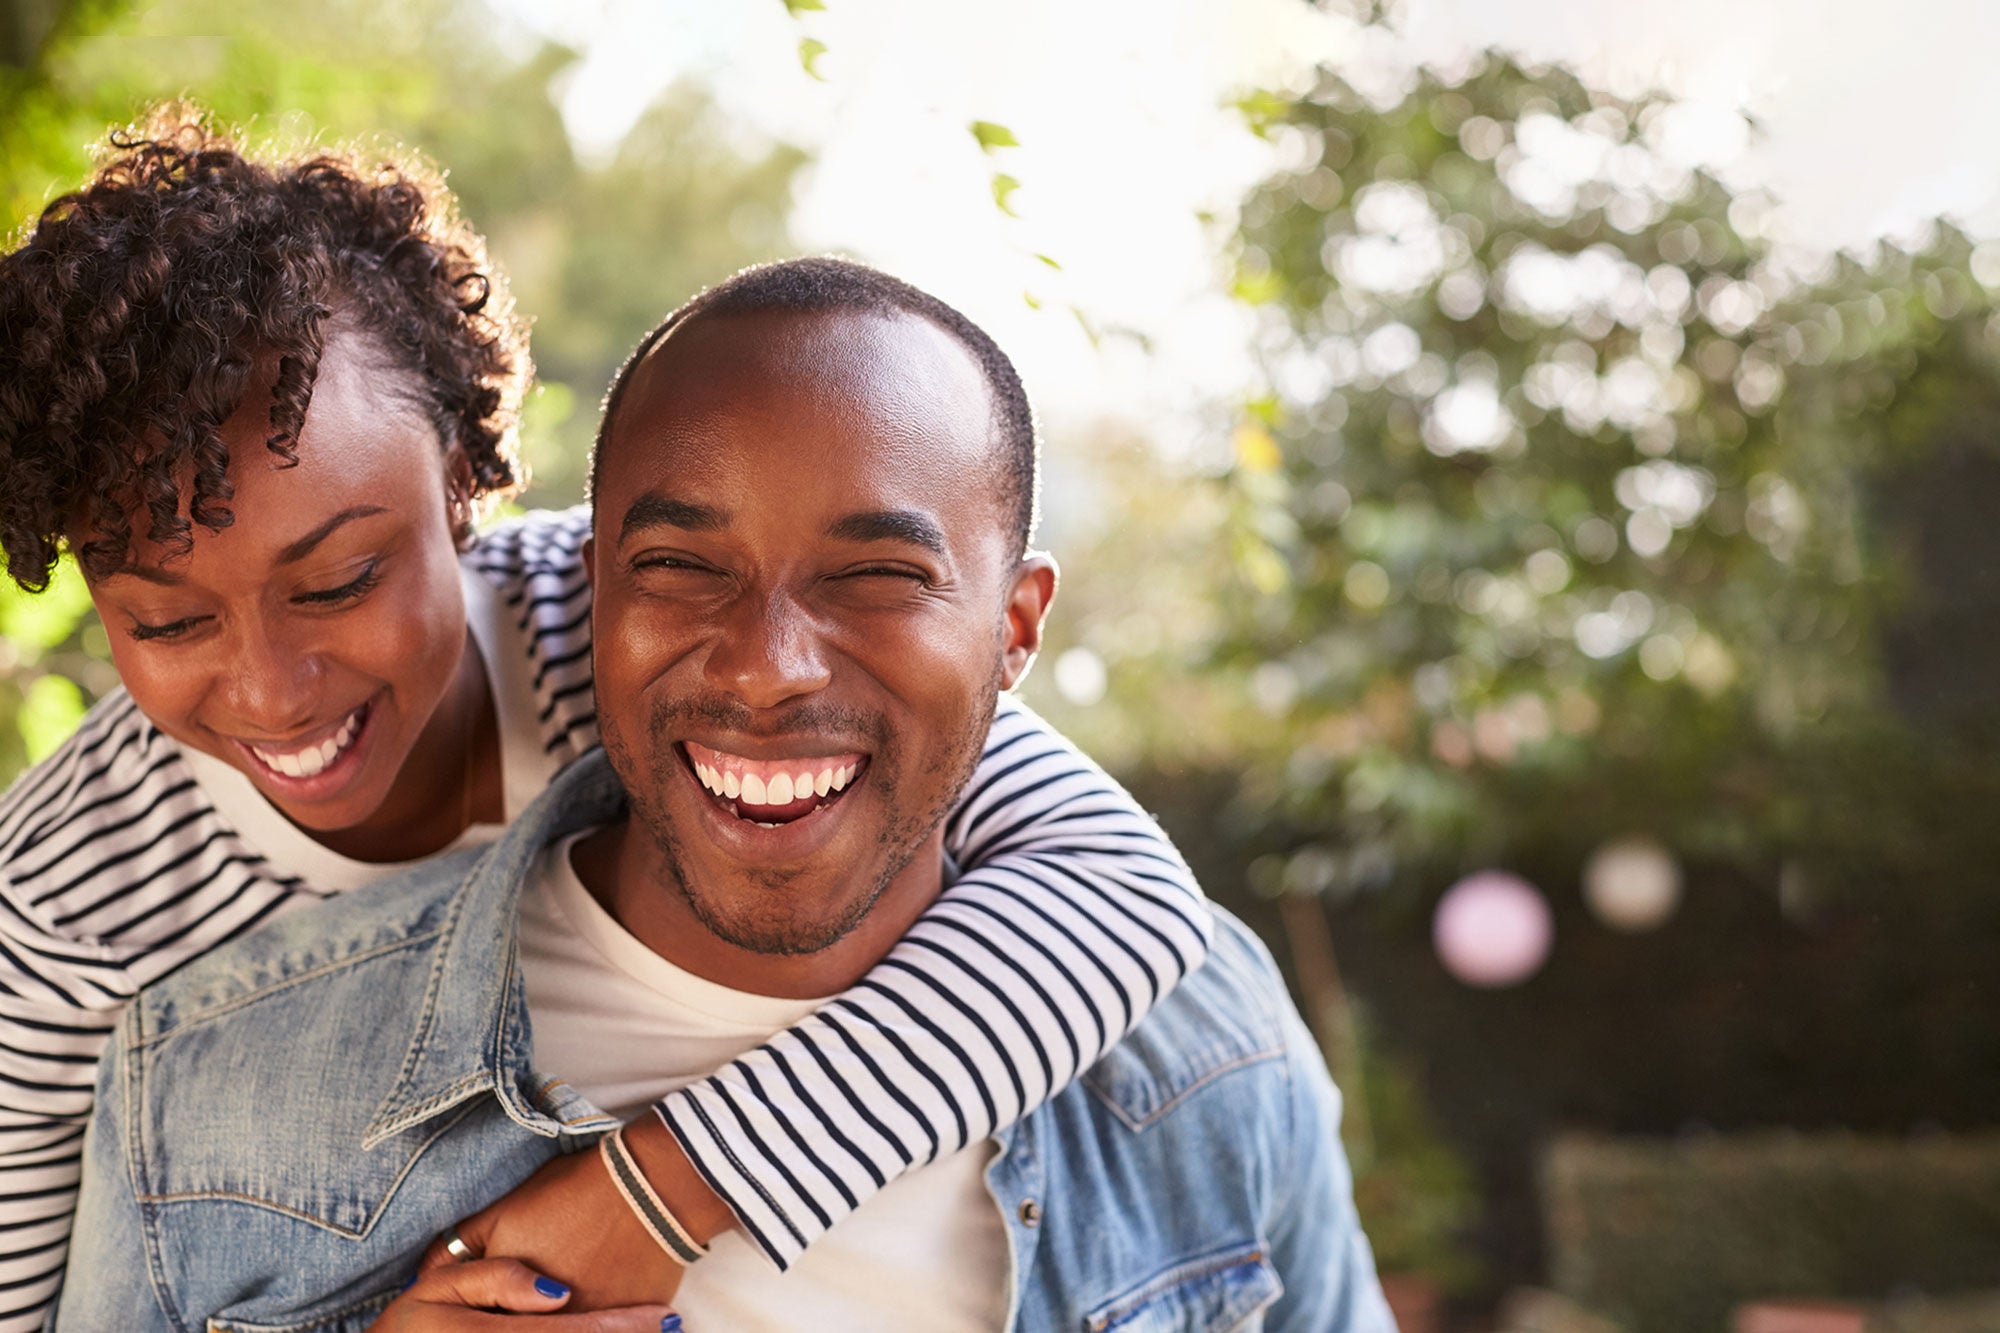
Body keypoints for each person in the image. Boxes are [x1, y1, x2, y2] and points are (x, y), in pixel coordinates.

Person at [0, 116, 1215, 1329]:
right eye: (167, 623)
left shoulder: (618, 630)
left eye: (338, 582)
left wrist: (656, 1194)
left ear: (468, 486)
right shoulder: (59, 906)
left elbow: (1118, 889)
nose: (271, 690)